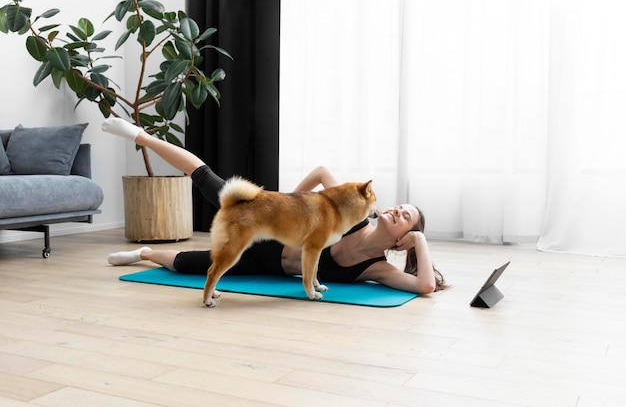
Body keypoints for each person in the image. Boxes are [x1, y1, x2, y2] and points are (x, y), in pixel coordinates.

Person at [102, 118, 448, 294]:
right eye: (400, 206)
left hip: (265, 264)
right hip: (269, 225)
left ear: (403, 239)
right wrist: (289, 202)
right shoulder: (351, 215)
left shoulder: (378, 269)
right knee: (209, 181)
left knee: (185, 265)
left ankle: (145, 253)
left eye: (406, 217)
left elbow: (425, 287)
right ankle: (139, 135)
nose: (396, 211)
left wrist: (421, 242)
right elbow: (323, 171)